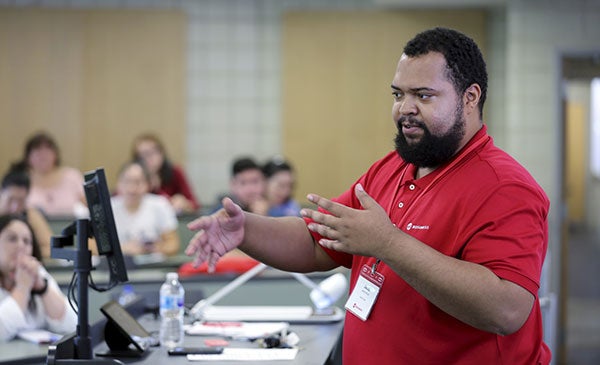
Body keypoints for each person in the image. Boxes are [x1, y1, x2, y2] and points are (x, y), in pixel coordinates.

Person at [185, 27, 551, 364]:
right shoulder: (391, 168)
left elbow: (506, 310)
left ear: (470, 97)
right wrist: (245, 230)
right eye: (398, 94)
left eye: (423, 95)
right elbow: (317, 241)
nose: (404, 109)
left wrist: (388, 243)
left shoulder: (505, 187)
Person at [0, 214, 77, 341]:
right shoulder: (26, 280)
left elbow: (73, 325)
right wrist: (22, 288)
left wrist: (43, 288)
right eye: (12, 239)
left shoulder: (36, 273)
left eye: (26, 241)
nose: (21, 246)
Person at [111, 161, 180, 257]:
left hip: (151, 266)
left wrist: (153, 249)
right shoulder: (108, 207)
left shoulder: (160, 205)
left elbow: (173, 245)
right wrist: (123, 248)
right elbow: (92, 246)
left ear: (148, 185)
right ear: (118, 183)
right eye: (127, 181)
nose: (132, 188)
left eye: (138, 182)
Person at [15, 132, 86, 217]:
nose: (43, 155)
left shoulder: (72, 176)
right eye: (37, 150)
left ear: (55, 154)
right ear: (27, 157)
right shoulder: (19, 181)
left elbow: (89, 206)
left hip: (71, 228)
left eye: (47, 149)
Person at [132, 133, 200, 214]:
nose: (148, 158)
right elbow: (119, 199)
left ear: (161, 153)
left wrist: (184, 204)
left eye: (152, 152)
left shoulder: (175, 172)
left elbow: (195, 204)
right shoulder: (133, 175)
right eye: (142, 155)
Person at [0, 169, 53, 259]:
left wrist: (25, 251)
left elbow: (50, 247)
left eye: (21, 201)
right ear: (1, 193)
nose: (15, 207)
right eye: (11, 199)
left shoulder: (31, 215)